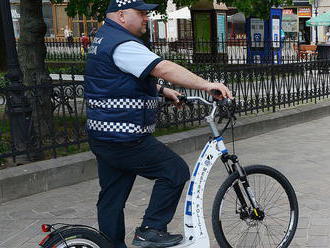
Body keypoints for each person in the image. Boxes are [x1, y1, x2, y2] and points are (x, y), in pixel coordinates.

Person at [84, 0, 232, 248]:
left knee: (112, 198)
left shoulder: (104, 38)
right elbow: (162, 67)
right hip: (125, 138)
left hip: (104, 134)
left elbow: (117, 77)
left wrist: (162, 91)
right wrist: (207, 85)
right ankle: (151, 229)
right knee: (174, 172)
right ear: (121, 15)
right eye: (141, 13)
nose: (146, 18)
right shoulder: (123, 44)